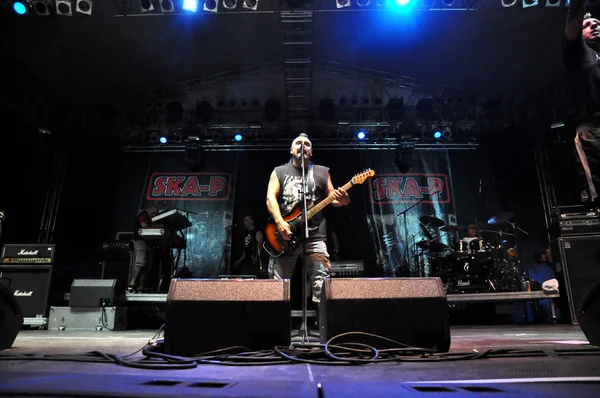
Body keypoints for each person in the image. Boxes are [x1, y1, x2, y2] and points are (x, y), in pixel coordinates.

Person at [266, 133, 350, 304]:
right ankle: (278, 327)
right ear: (291, 149)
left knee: (321, 283)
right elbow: (270, 198)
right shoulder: (279, 171)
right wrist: (280, 222)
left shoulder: (322, 171)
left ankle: (323, 326)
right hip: (285, 235)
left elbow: (333, 198)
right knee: (277, 286)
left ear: (311, 151)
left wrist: (344, 200)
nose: (302, 145)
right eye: (298, 143)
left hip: (315, 236)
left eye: (306, 144)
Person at [564, 2, 600, 211]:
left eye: (597, 23)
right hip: (592, 131)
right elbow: (572, 26)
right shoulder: (578, 52)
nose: (594, 26)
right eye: (588, 24)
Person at [128, 203, 162, 293]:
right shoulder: (143, 215)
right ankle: (132, 284)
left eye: (156, 213)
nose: (154, 215)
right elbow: (145, 227)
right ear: (149, 208)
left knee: (146, 266)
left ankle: (141, 287)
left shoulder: (149, 218)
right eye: (153, 212)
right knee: (140, 263)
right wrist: (160, 226)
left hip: (147, 243)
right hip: (140, 241)